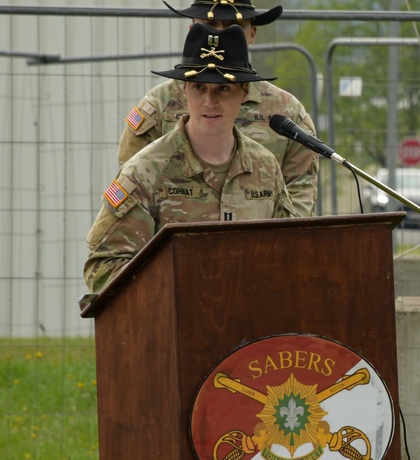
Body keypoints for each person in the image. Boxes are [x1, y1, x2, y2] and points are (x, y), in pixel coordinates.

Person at [85, 24, 296, 293]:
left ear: (244, 93)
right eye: (199, 87)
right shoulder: (146, 171)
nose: (209, 101)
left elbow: (290, 253)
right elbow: (103, 267)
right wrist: (180, 287)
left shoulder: (265, 167)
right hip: (173, 324)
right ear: (183, 89)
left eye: (223, 89)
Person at [117, 0, 319, 216]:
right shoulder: (158, 105)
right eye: (211, 25)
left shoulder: (286, 113)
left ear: (252, 33)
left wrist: (274, 247)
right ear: (193, 31)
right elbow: (131, 184)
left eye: (234, 26)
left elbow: (299, 196)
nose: (220, 34)